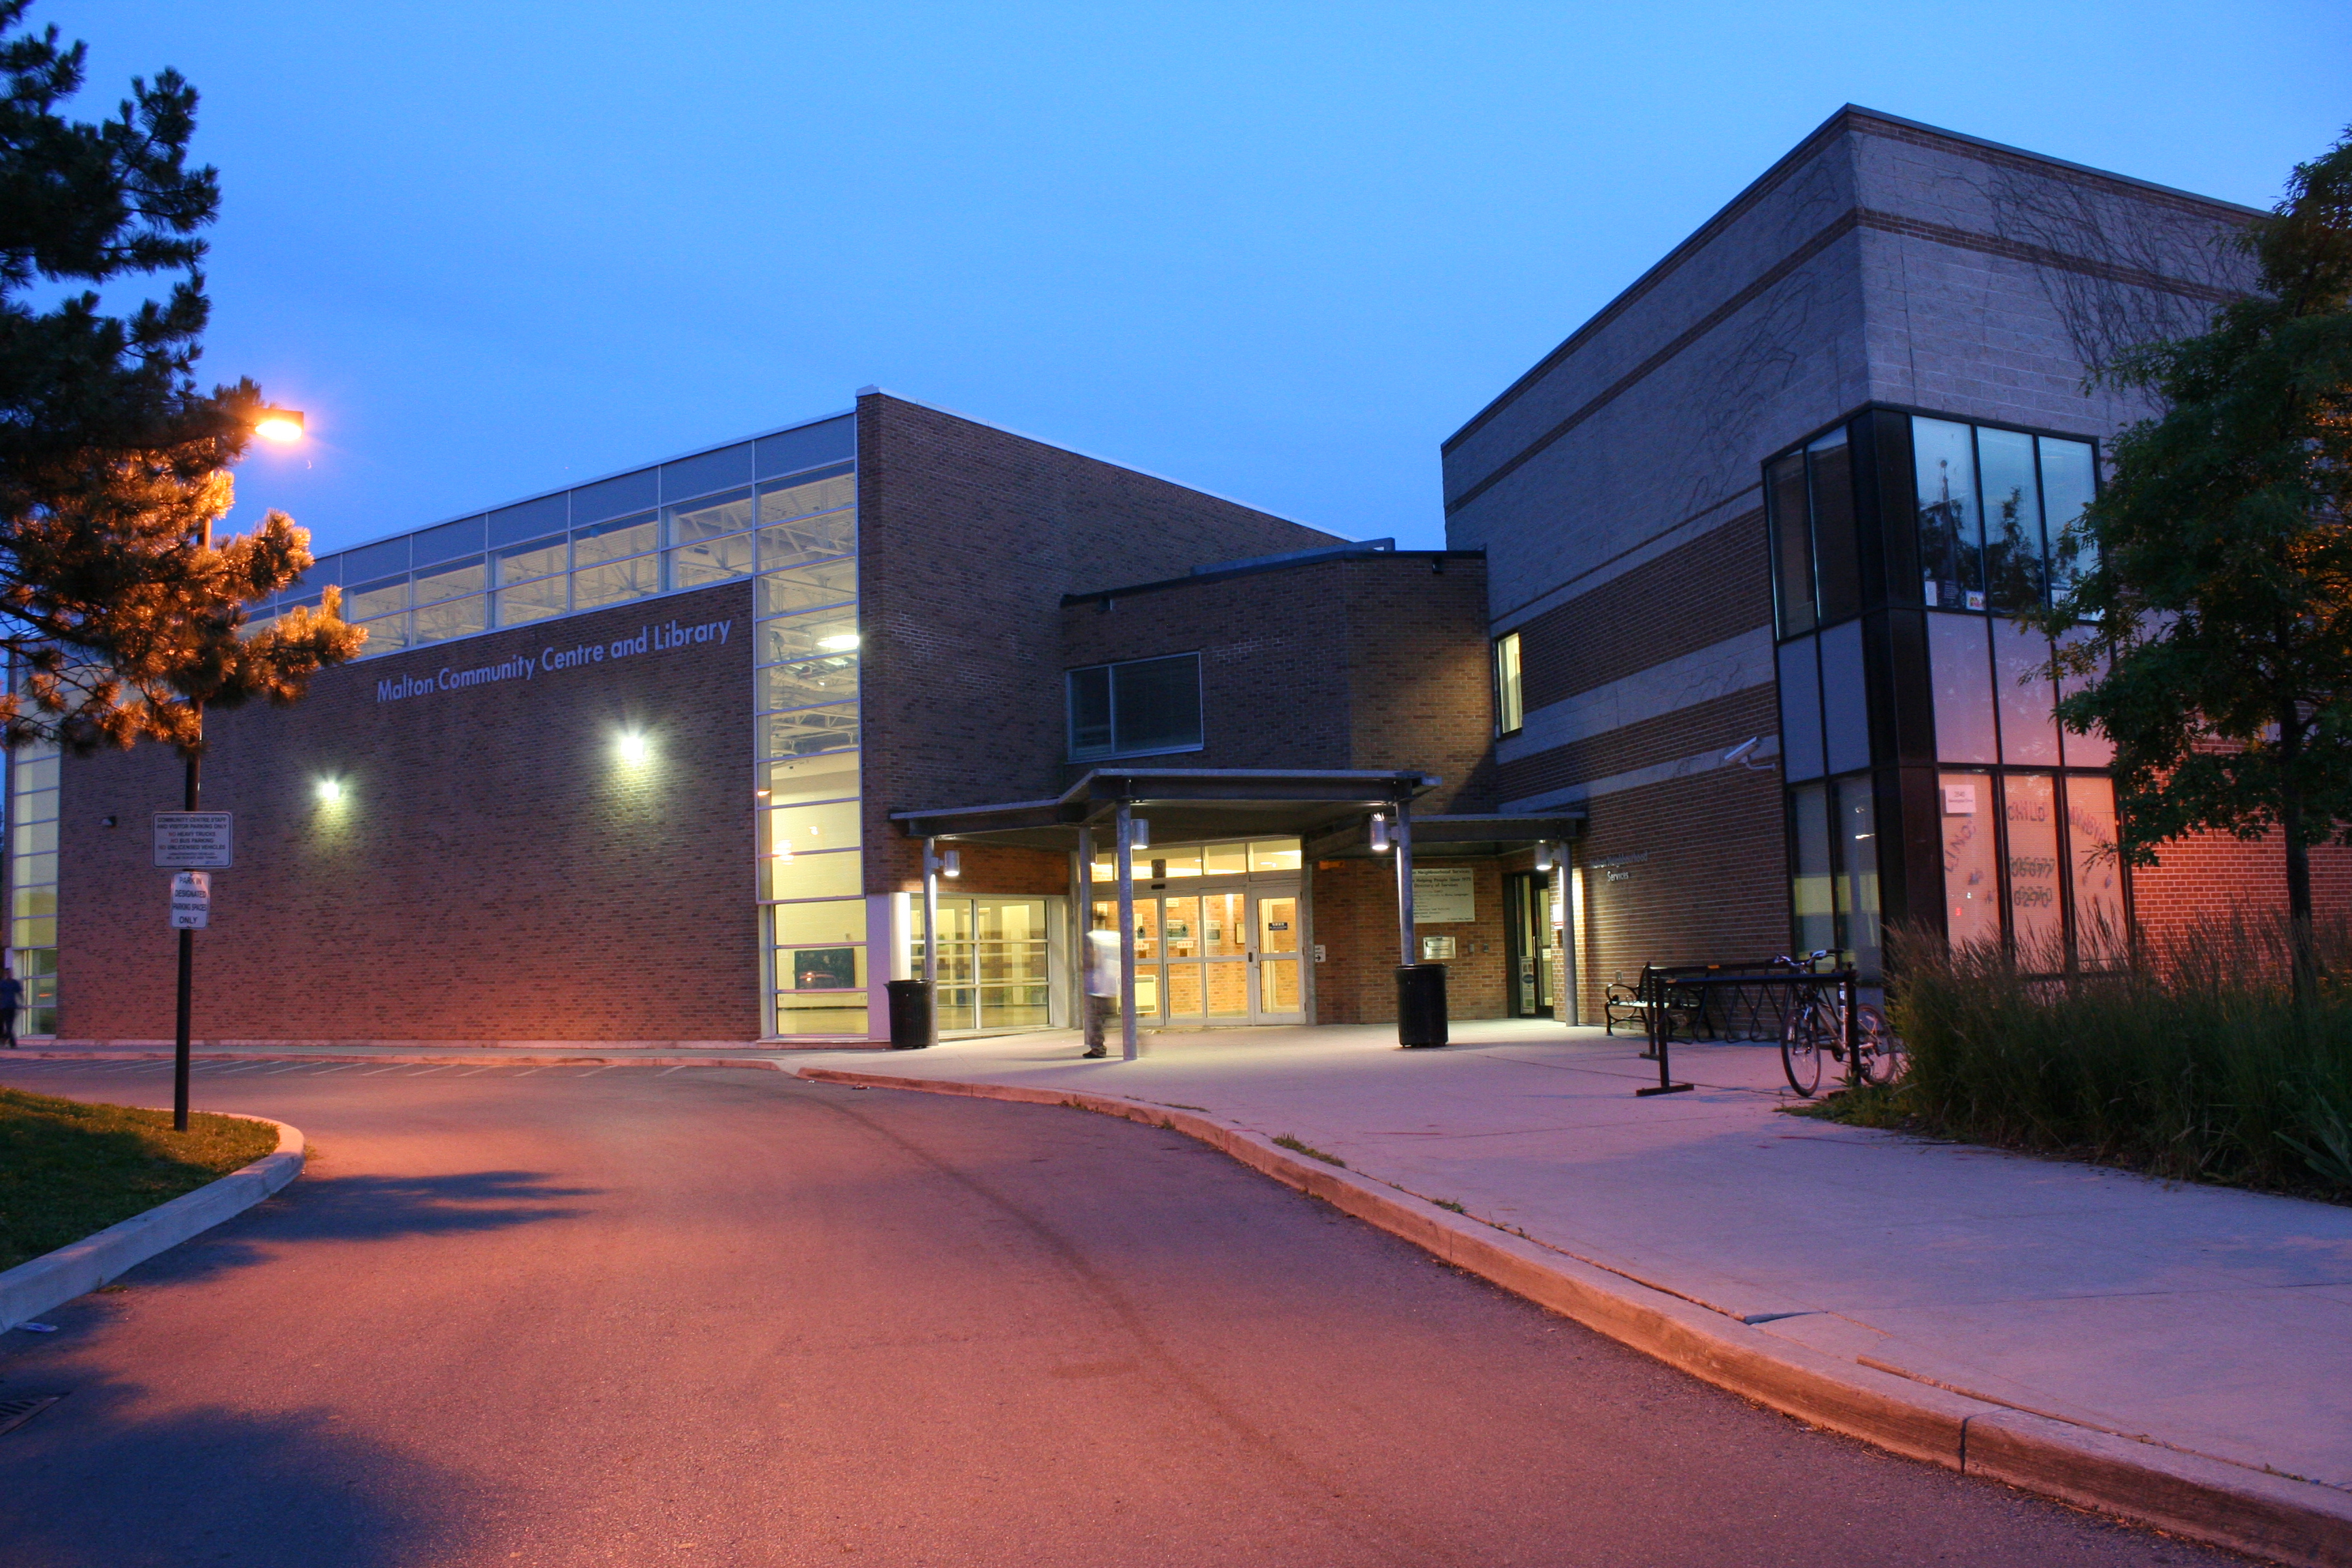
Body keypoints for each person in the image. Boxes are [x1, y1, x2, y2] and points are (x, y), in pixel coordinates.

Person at [1081, 914, 1120, 1058]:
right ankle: (1132, 1036)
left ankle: (1098, 1049)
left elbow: (1093, 960)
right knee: (1106, 1016)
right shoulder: (1114, 938)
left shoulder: (1093, 939)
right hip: (1111, 985)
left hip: (1097, 987)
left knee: (1094, 1021)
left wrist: (1085, 969)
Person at [0, 965, 20, 1049]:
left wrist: (22, 1003)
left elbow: (19, 993)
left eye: (10, 973)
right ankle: (12, 1043)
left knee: (10, 1026)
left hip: (12, 1006)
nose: (9, 974)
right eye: (7, 973)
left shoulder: (15, 983)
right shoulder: (2, 983)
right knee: (8, 1025)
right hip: (4, 1007)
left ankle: (5, 1040)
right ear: (5, 974)